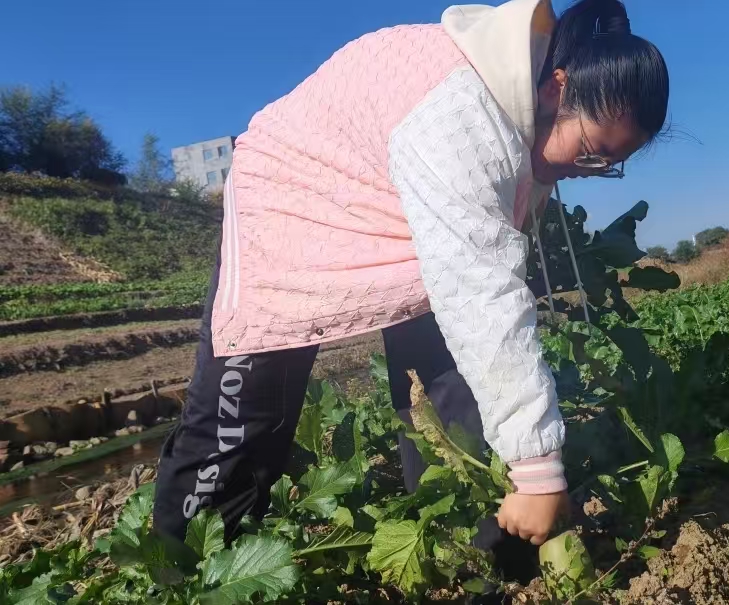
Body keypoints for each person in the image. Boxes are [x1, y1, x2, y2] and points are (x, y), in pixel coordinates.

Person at [152, 0, 669, 556]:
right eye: (591, 153)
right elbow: (481, 291)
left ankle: (472, 562)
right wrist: (538, 469)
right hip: (288, 208)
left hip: (395, 203)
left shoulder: (525, 111)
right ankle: (185, 571)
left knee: (452, 392)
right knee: (247, 417)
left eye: (608, 166)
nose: (587, 172)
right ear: (556, 89)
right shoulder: (462, 116)